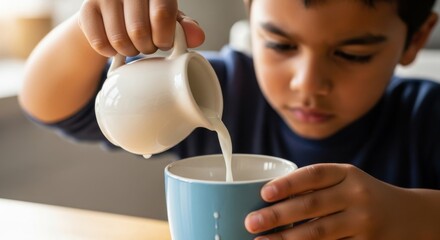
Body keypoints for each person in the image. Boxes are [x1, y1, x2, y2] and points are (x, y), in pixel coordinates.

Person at [19, 0, 440, 239]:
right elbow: (51, 105)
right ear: (250, 11)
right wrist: (90, 26)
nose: (308, 84)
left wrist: (415, 215)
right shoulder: (220, 92)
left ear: (415, 39)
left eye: (353, 55)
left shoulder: (427, 118)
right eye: (279, 44)